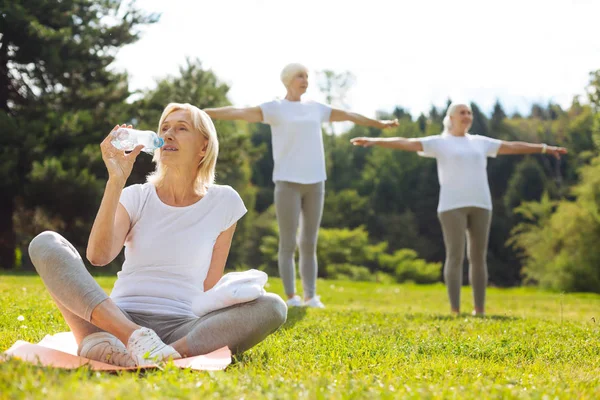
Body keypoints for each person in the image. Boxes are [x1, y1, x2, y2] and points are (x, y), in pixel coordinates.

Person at [28, 103, 287, 367]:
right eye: (164, 128)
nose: (169, 134)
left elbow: (209, 284)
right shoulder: (136, 196)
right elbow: (98, 256)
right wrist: (116, 180)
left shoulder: (225, 201)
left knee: (274, 306)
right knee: (46, 243)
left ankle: (155, 353)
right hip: (117, 320)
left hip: (182, 326)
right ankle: (132, 341)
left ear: (204, 146)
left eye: (181, 128)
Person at [204, 63, 398, 308]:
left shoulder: (315, 108)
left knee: (309, 242)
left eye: (307, 76)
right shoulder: (275, 108)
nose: (305, 80)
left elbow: (350, 115)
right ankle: (292, 297)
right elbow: (237, 111)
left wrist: (379, 124)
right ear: (287, 80)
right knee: (288, 242)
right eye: (300, 76)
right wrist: (201, 111)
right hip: (287, 182)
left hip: (316, 181)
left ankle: (311, 296)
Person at [350, 102, 567, 316]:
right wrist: (375, 141)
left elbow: (511, 146)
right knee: (455, 256)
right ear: (451, 118)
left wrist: (544, 148)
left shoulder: (480, 143)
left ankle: (479, 310)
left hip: (481, 204)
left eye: (470, 112)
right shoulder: (440, 142)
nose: (467, 116)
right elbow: (407, 142)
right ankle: (455, 310)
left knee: (478, 257)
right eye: (462, 112)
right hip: (451, 206)